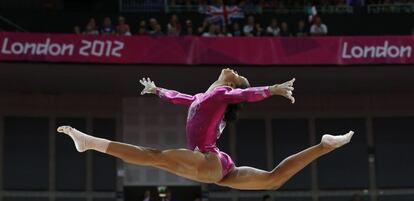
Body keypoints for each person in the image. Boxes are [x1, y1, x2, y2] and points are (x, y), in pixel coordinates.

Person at [58, 68, 354, 190]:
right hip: (216, 163)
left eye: (237, 75)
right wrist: (157, 90)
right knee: (273, 180)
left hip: (209, 160)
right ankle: (324, 146)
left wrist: (271, 90)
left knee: (154, 156)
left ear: (230, 83)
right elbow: (181, 98)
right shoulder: (204, 98)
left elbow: (243, 95)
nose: (233, 70)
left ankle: (90, 142)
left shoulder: (222, 93)